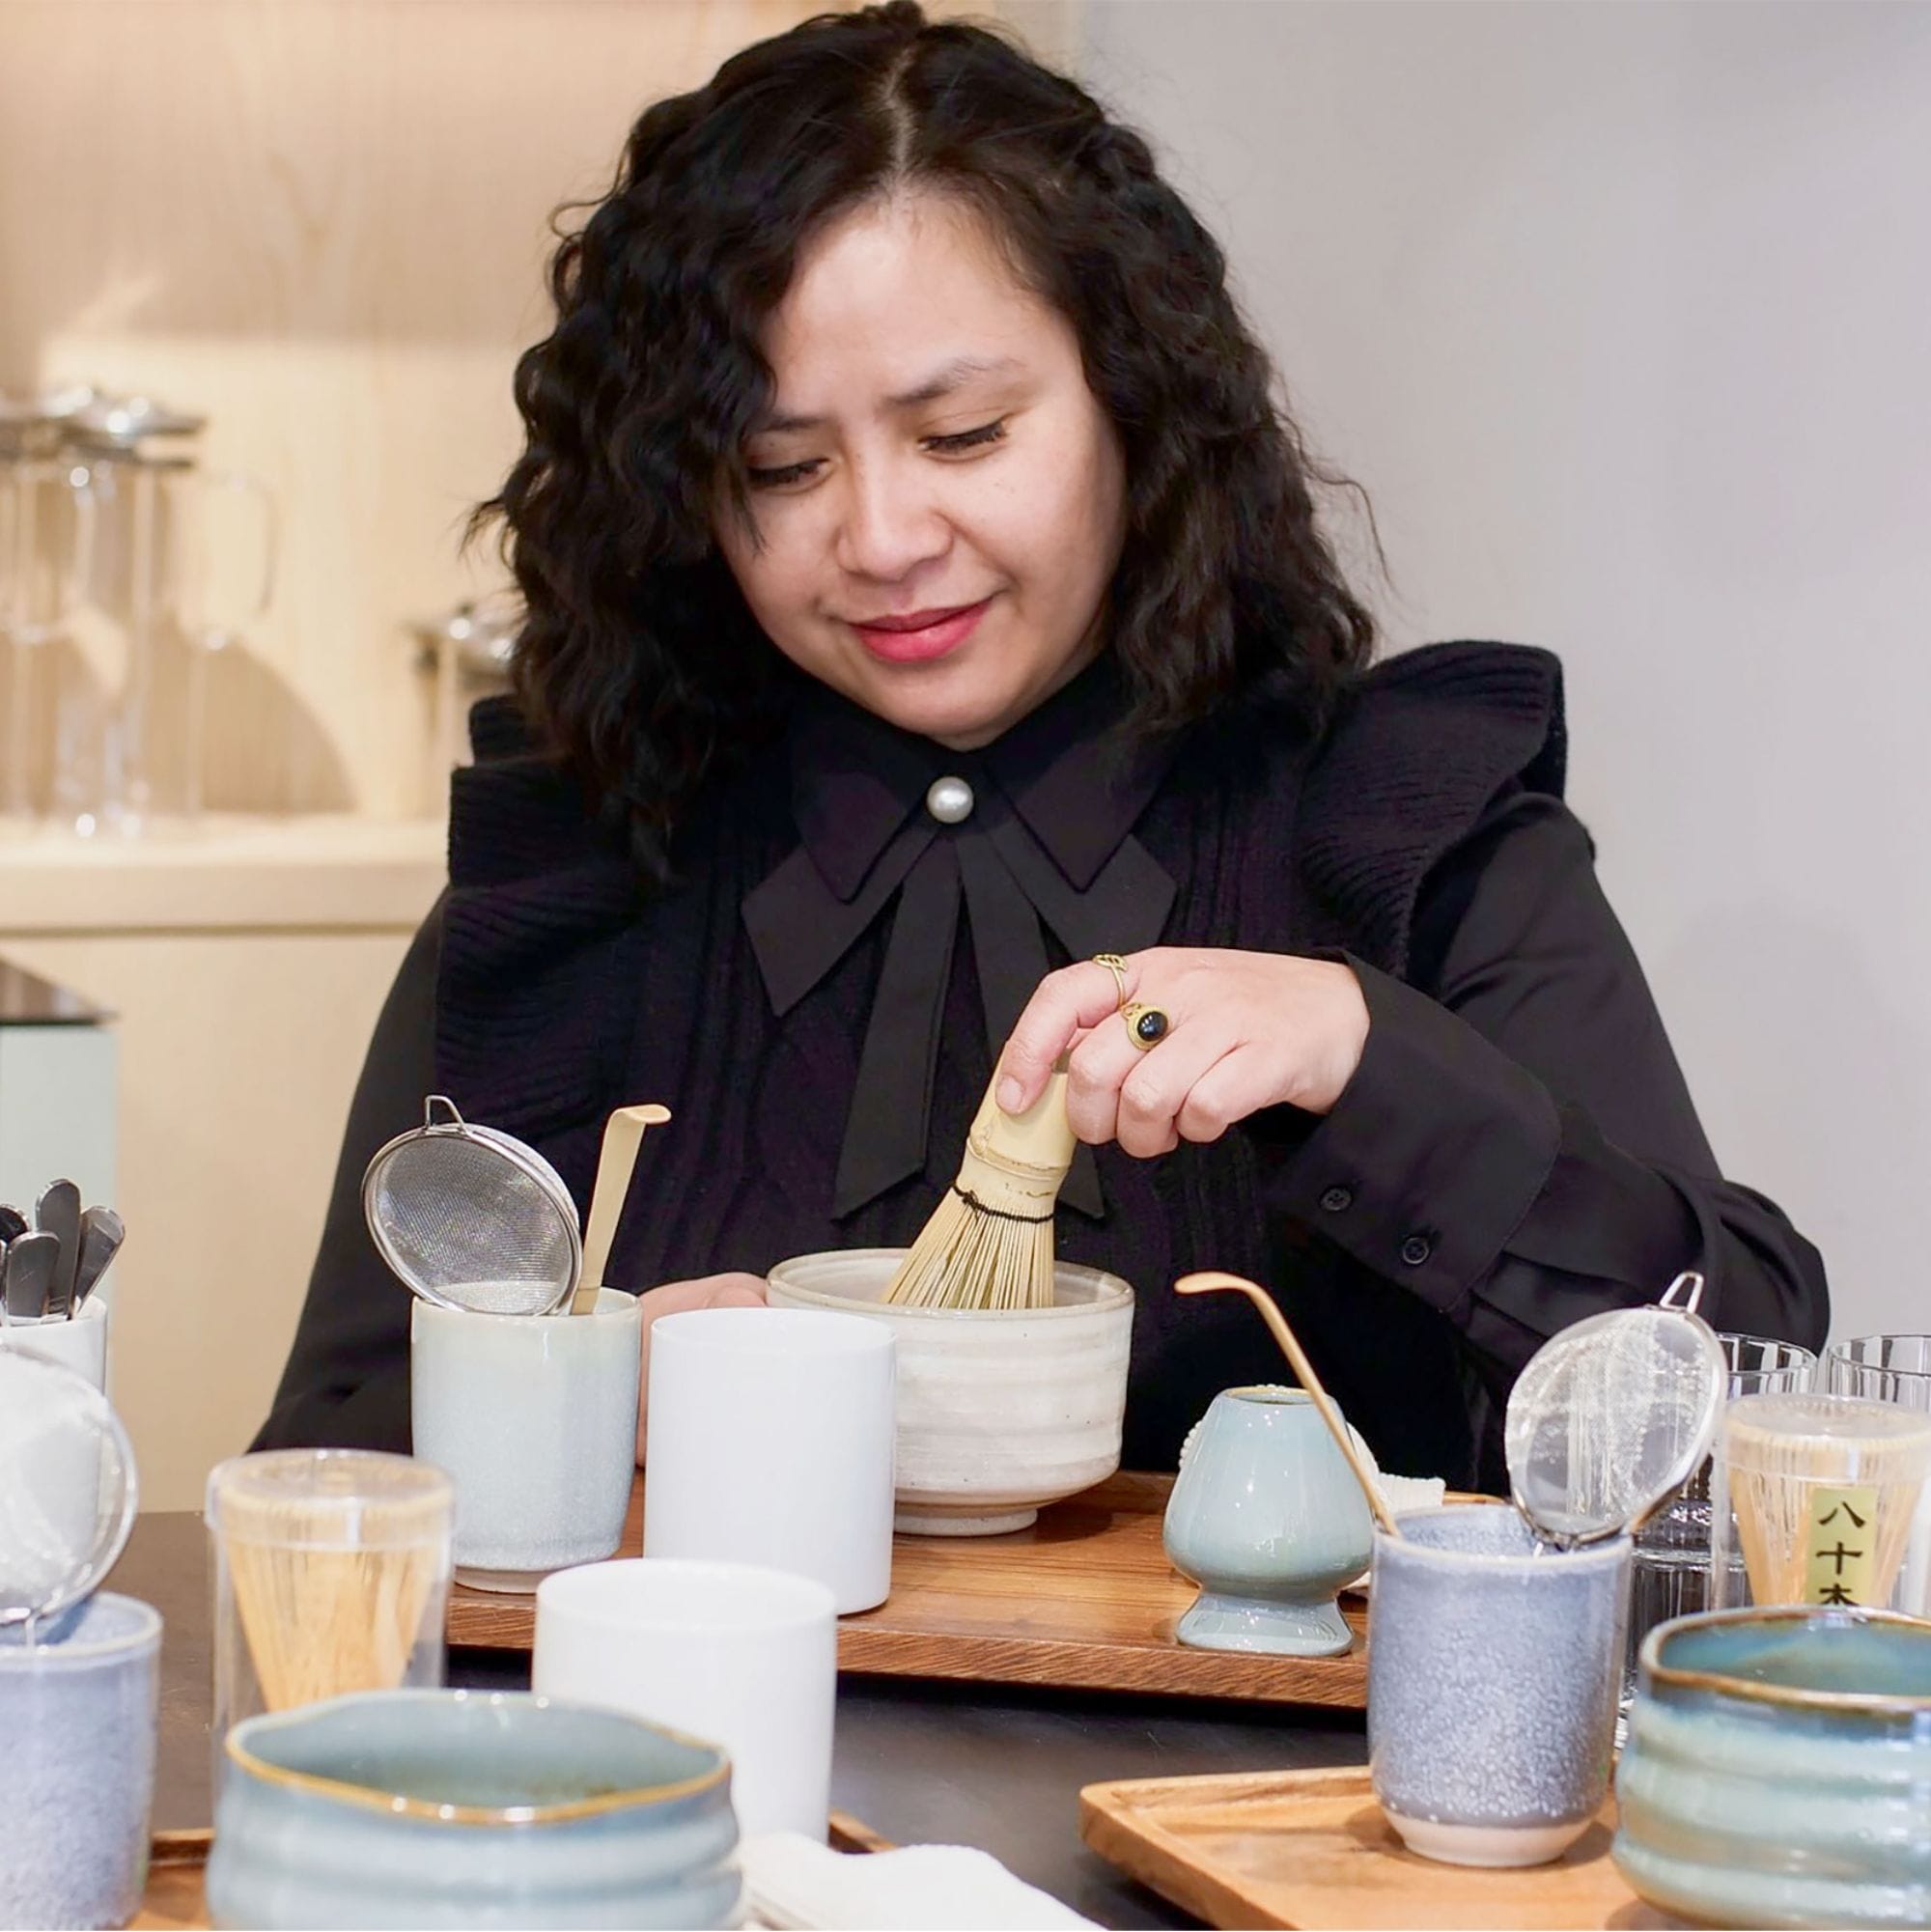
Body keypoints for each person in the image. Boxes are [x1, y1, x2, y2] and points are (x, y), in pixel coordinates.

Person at [257, 2, 1825, 1491]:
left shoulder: (1404, 821)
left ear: (1132, 400)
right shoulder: (593, 863)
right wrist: (594, 1387)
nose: (879, 537)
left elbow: (1740, 1359)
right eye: (781, 467)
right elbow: (323, 1454)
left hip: (1278, 1783)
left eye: (963, 437)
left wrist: (1366, 1052)